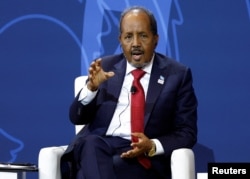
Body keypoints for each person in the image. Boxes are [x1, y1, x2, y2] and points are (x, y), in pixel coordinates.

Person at [60, 6, 197, 179]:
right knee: (91, 144)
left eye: (143, 36)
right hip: (100, 147)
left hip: (143, 156)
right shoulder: (105, 67)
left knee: (92, 170)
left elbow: (187, 132)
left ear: (156, 39)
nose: (136, 44)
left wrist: (152, 145)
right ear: (120, 40)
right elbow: (76, 118)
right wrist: (91, 89)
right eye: (128, 37)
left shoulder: (176, 75)